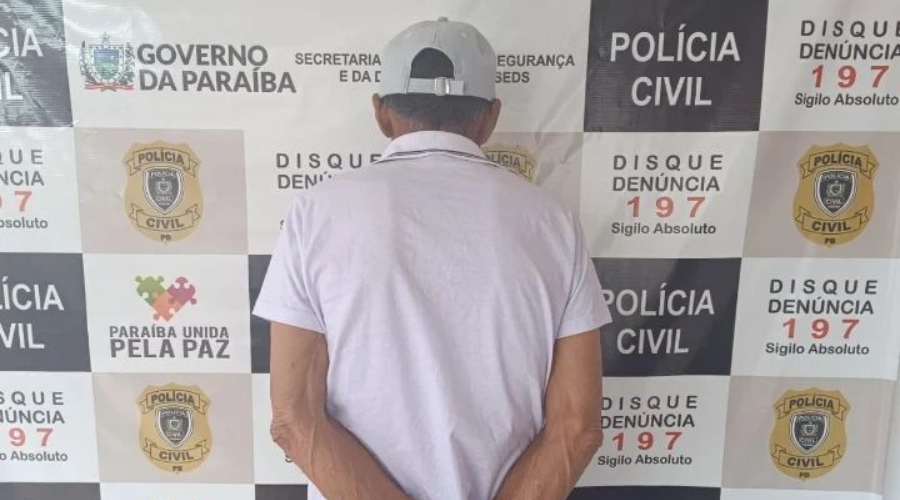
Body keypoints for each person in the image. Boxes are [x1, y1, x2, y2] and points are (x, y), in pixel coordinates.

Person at [253, 17, 611, 500]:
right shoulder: (555, 223)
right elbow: (577, 427)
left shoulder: (314, 214)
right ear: (490, 118)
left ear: (381, 114)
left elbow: (294, 419)